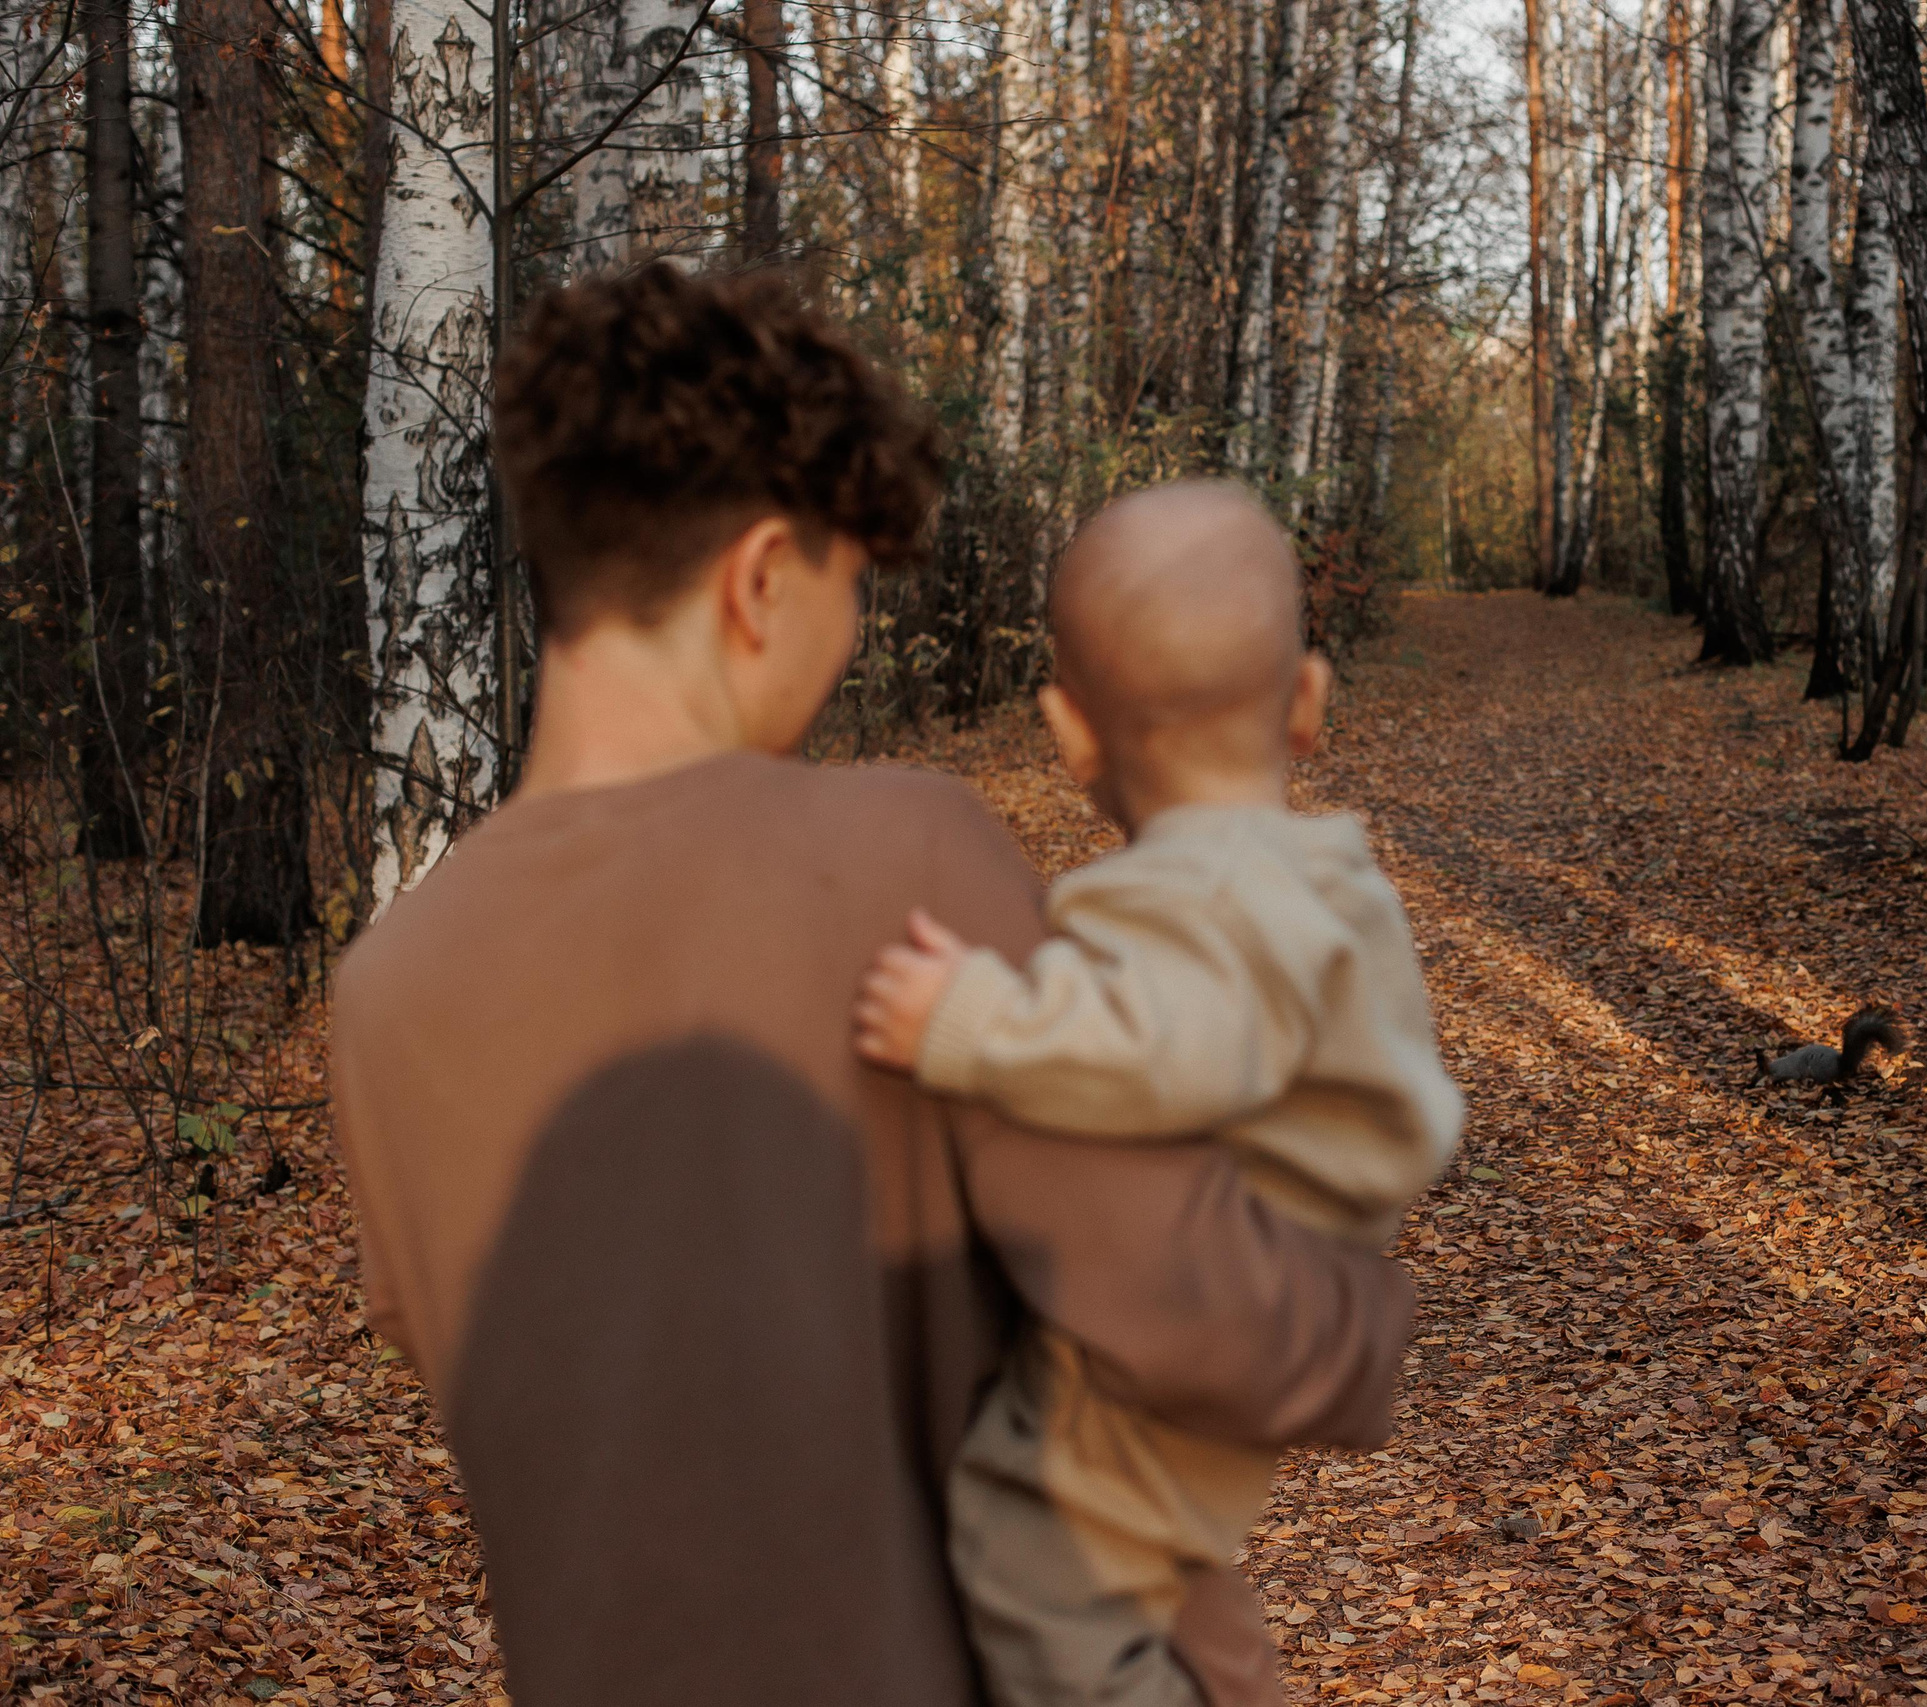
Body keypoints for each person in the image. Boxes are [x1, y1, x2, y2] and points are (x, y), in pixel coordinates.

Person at [327, 268, 1414, 1707]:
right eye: (848, 589)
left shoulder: (385, 991)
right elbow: (1199, 1314)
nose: (842, 653)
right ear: (761, 577)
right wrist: (1363, 1310)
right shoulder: (897, 852)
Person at [852, 482, 1464, 1707]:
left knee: (1032, 1554)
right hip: (1281, 1285)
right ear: (1306, 704)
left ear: (1069, 733)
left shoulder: (1198, 894)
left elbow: (1168, 1046)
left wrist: (977, 1022)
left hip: (1206, 1300)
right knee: (1155, 1554)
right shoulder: (1322, 876)